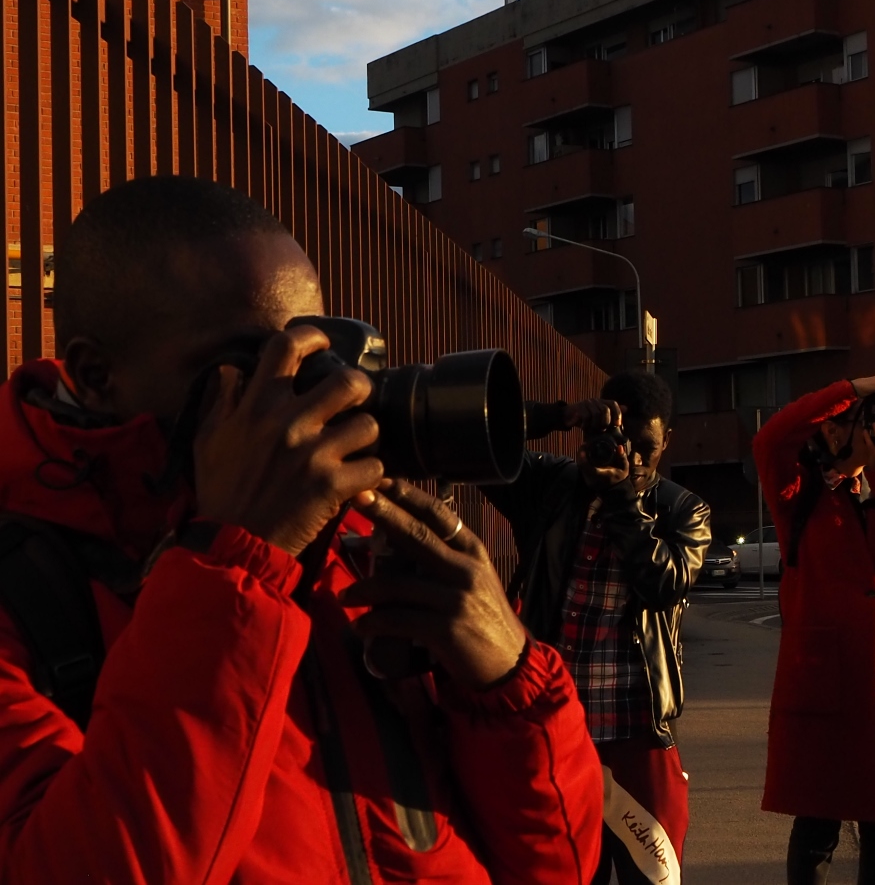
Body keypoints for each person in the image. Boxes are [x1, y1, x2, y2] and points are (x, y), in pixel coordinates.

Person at [0, 176, 603, 883]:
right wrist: (238, 564)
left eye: (310, 355)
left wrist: (507, 683)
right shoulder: (26, 586)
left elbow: (558, 865)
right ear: (95, 374)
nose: (303, 394)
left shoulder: (349, 551)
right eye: (248, 362)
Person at [481, 372, 711, 885]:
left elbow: (664, 584)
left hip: (636, 734)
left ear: (666, 440)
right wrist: (556, 415)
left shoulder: (682, 509)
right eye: (621, 442)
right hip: (556, 731)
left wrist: (623, 499)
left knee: (651, 880)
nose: (634, 459)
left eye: (647, 448)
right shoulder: (550, 487)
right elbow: (478, 438)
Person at [753, 375, 875, 885]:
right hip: (827, 688)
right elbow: (771, 439)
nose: (869, 430)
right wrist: (852, 387)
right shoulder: (798, 494)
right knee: (817, 831)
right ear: (831, 432)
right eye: (853, 422)